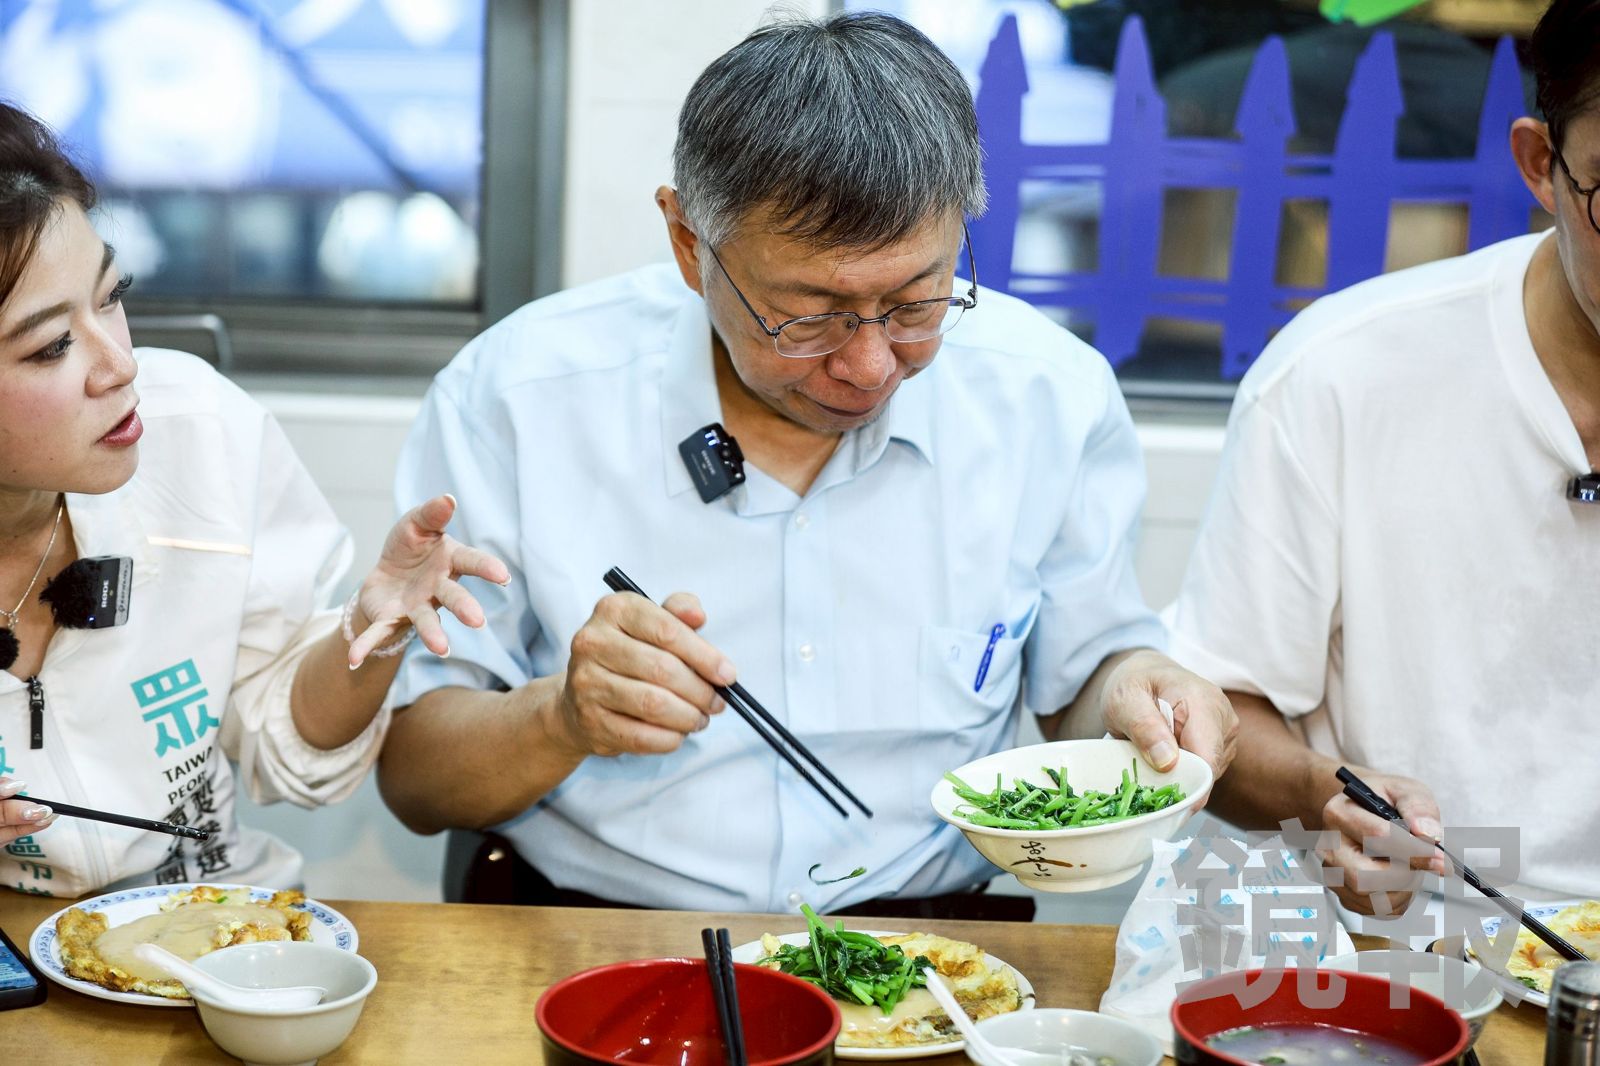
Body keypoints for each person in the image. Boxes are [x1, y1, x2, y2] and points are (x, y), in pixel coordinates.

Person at [381, 12, 1237, 917]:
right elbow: (414, 779)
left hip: (929, 940)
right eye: (808, 314)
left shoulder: (1047, 396)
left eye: (917, 302)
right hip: (599, 932)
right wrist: (561, 718)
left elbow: (1082, 683)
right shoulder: (520, 396)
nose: (870, 365)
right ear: (687, 245)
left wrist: (1139, 689)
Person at [0, 102, 508, 897]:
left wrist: (368, 638)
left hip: (209, 926)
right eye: (51, 346)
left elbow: (285, 743)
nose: (119, 365)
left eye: (111, 295)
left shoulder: (200, 434)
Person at [1166, 0, 1600, 919]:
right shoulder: (1341, 375)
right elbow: (1224, 704)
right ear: (1543, 167)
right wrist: (1323, 796)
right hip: (1399, 955)